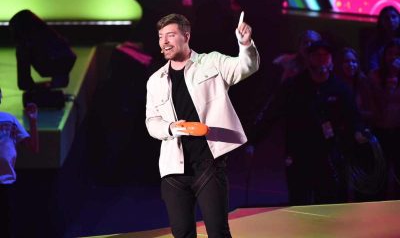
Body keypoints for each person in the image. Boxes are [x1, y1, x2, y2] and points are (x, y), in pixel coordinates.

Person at [145, 13, 259, 237]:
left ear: (186, 36)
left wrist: (245, 44)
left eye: (170, 35)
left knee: (218, 231)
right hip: (173, 169)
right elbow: (151, 121)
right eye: (160, 37)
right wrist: (170, 128)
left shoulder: (211, 62)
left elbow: (246, 67)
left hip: (208, 164)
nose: (164, 42)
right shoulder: (155, 80)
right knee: (182, 233)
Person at [251, 40, 367, 205]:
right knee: (299, 199)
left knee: (327, 201)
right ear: (308, 59)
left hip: (329, 154)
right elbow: (271, 113)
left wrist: (358, 131)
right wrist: (253, 140)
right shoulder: (293, 86)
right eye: (317, 55)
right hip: (299, 152)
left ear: (332, 60)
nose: (321, 59)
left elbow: (353, 117)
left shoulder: (340, 88)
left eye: (325, 55)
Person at [0, 88, 39, 238]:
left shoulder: (9, 120)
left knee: (7, 229)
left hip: (7, 185)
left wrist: (33, 121)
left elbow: (34, 147)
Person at [368, 38, 400, 199]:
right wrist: (390, 82)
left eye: (397, 54)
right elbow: (376, 105)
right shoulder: (375, 76)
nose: (394, 57)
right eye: (390, 53)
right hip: (380, 131)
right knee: (380, 173)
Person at [364, 6, 400, 72]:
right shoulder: (375, 42)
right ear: (381, 22)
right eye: (386, 18)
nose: (390, 20)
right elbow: (372, 65)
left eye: (394, 17)